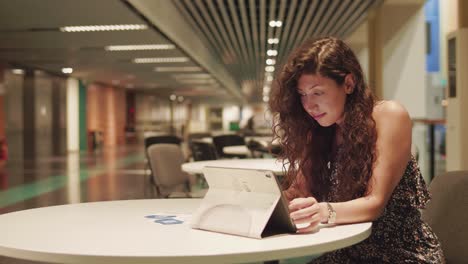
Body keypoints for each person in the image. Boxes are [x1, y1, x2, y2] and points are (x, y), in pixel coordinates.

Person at [268, 37, 444, 263]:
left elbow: (375, 204)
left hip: (402, 253)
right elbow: (299, 192)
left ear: (349, 84)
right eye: (302, 95)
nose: (309, 105)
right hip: (348, 251)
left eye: (317, 92)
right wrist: (261, 201)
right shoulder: (321, 131)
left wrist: (322, 211)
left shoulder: (388, 115)